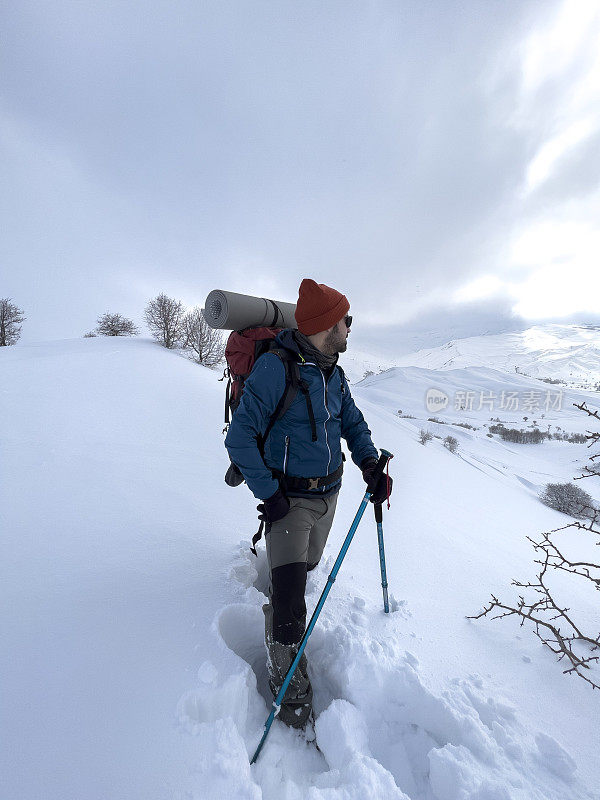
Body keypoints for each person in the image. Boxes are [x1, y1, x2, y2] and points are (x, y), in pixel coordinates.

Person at [224, 278, 393, 727]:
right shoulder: (275, 369)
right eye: (346, 321)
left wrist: (371, 466)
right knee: (290, 607)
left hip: (329, 495)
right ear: (325, 325)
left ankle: (282, 599)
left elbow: (352, 424)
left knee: (309, 566)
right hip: (289, 503)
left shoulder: (333, 371)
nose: (350, 329)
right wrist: (271, 496)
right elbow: (240, 439)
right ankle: (292, 698)